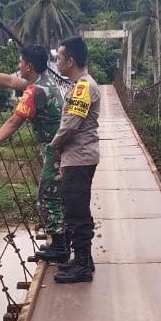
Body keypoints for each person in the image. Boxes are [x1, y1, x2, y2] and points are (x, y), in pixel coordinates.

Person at [0, 45, 68, 262]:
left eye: (20, 62)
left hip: (55, 149)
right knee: (54, 194)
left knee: (47, 196)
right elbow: (9, 81)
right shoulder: (45, 82)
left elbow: (14, 122)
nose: (18, 66)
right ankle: (59, 242)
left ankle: (60, 246)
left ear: (28, 66)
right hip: (62, 147)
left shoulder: (35, 91)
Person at [49, 36, 100, 284]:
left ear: (70, 61)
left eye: (59, 58)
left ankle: (82, 266)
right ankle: (84, 260)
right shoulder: (79, 85)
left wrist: (53, 146)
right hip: (78, 157)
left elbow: (70, 125)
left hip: (78, 158)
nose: (56, 62)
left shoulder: (82, 87)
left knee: (76, 212)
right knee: (77, 209)